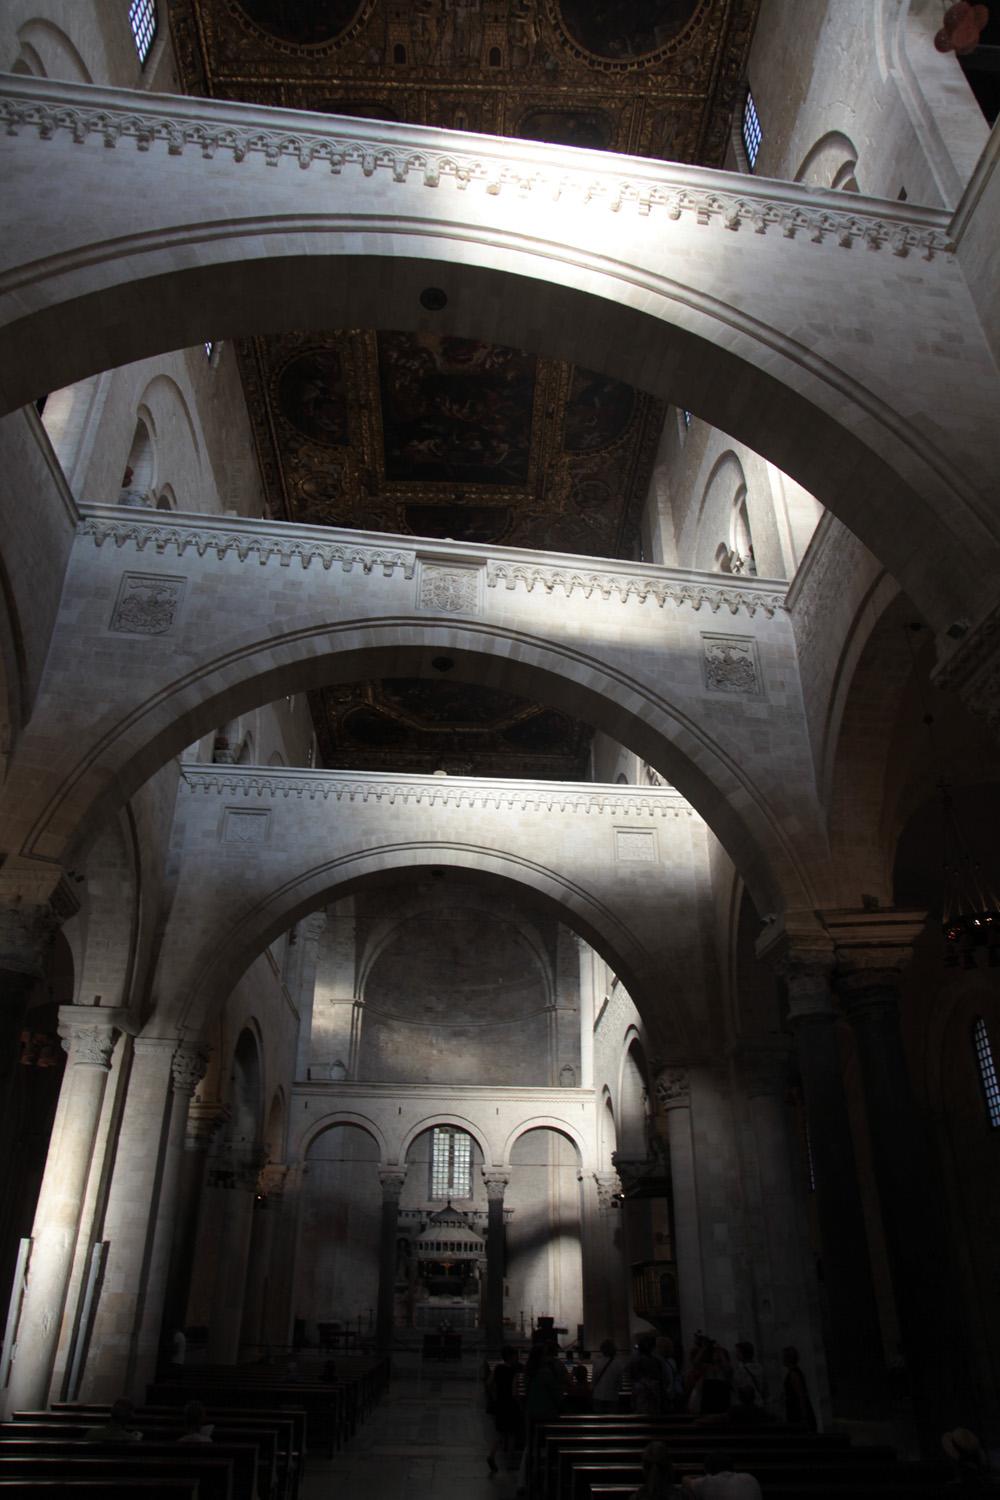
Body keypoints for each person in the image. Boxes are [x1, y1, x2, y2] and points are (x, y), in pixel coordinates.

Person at [487, 1345, 521, 1472]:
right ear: (511, 1357)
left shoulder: (498, 1368)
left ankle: (491, 1455)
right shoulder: (513, 1371)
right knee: (512, 1433)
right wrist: (520, 1405)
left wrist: (496, 1391)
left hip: (500, 1402)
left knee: (500, 1431)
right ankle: (510, 1461)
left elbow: (489, 1383)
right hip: (510, 1404)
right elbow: (514, 1391)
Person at [681, 1451, 763, 1499]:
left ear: (706, 1471)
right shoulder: (750, 1478)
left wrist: (701, 1477)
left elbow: (685, 1479)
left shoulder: (708, 1483)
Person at [780, 1347, 816, 1431]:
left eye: (783, 1357)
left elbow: (800, 1396)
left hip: (796, 1411)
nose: (782, 1359)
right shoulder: (792, 1373)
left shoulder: (794, 1374)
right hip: (794, 1410)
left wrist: (804, 1416)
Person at [591, 1337, 624, 1413]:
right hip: (612, 1396)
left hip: (598, 1395)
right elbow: (619, 1384)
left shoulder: (597, 1362)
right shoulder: (617, 1364)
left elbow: (594, 1380)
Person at [731, 1342, 765, 1410]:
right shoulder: (759, 1367)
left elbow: (736, 1383)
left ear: (743, 1353)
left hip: (747, 1405)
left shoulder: (741, 1370)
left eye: (738, 1352)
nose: (736, 1354)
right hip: (759, 1403)